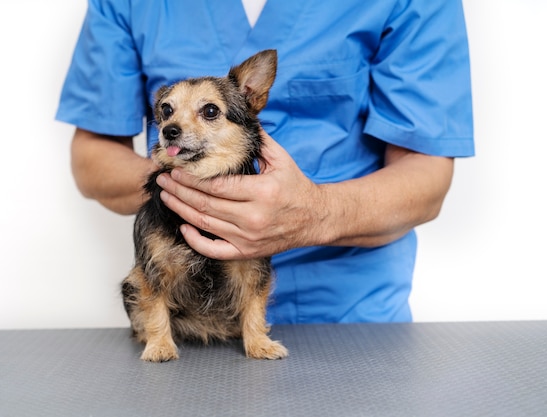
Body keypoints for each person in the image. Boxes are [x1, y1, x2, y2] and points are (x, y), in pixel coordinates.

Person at [56, 0, 475, 324]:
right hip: (185, 317)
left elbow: (428, 176)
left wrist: (315, 213)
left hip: (345, 316)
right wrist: (179, 184)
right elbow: (92, 154)